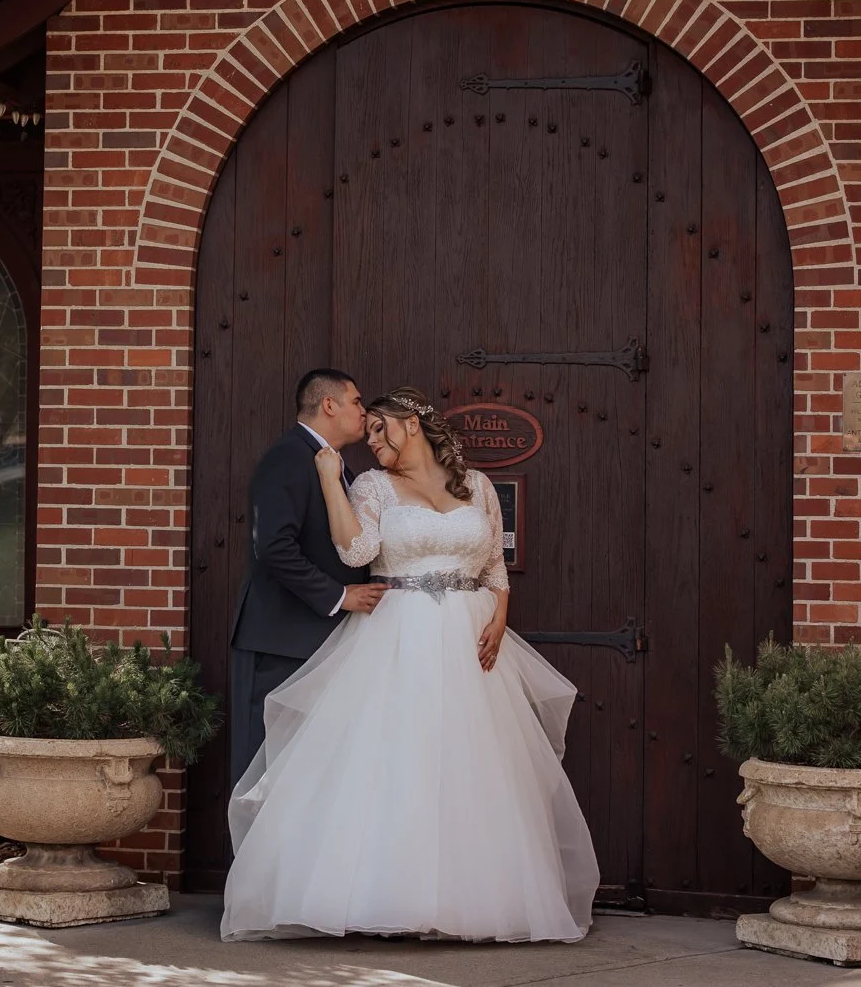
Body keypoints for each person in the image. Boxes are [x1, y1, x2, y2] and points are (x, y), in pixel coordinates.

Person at [222, 386, 600, 943]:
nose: (372, 441)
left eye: (381, 429)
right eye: (367, 430)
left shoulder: (478, 486)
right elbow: (355, 553)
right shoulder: (371, 486)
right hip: (398, 635)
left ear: (413, 424)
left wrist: (500, 614)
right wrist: (331, 481)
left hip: (471, 637)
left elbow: (494, 561)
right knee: (397, 759)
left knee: (472, 762)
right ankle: (383, 895)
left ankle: (471, 901)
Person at [228, 369, 386, 783]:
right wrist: (340, 596)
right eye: (356, 401)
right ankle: (253, 851)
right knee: (264, 770)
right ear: (328, 404)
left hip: (315, 641)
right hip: (280, 644)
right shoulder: (288, 456)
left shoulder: (336, 466)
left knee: (307, 773)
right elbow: (274, 548)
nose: (363, 411)